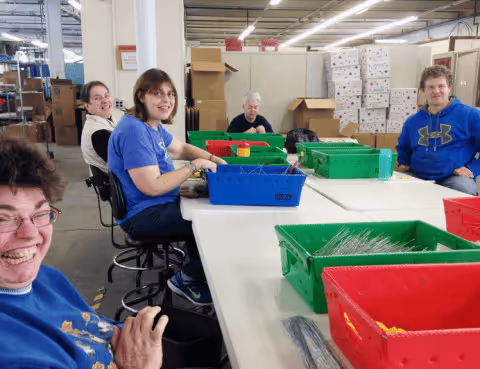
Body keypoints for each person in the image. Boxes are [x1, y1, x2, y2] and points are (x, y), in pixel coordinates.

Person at [0, 135, 169, 369]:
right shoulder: (13, 356)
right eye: (3, 219)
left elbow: (97, 332)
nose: (30, 234)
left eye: (39, 214)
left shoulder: (46, 278)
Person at [108, 68, 226, 305]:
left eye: (171, 94)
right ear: (141, 96)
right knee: (211, 218)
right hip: (143, 214)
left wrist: (213, 160)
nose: (167, 100)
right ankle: (188, 278)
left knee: (206, 203)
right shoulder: (134, 131)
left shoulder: (151, 125)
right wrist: (194, 167)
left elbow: (181, 149)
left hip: (157, 203)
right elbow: (151, 186)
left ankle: (197, 271)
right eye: (158, 93)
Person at [397, 65, 480, 196]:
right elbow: (404, 147)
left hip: (454, 178)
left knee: (464, 193)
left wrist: (473, 169)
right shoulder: (412, 121)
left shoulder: (471, 115)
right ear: (423, 91)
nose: (436, 91)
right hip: (417, 176)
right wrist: (403, 162)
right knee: (396, 187)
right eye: (431, 87)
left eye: (441, 86)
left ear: (449, 88)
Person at [81, 81, 118, 173]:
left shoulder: (106, 120)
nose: (105, 101)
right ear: (87, 106)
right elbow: (124, 164)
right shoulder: (99, 133)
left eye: (106, 96)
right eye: (97, 98)